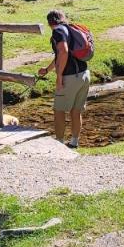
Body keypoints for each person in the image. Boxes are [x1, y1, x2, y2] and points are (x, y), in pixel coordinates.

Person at [38, 9, 91, 148]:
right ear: (63, 18)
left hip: (70, 77)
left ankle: (60, 144)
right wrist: (47, 70)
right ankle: (74, 143)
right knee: (76, 110)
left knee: (59, 110)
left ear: (50, 23)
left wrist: (59, 76)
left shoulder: (58, 32)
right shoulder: (70, 29)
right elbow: (60, 56)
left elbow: (64, 51)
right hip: (84, 74)